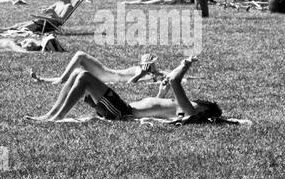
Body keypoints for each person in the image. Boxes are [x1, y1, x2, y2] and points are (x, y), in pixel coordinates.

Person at [29, 57, 224, 126]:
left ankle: (57, 116)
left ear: (203, 111)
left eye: (198, 105)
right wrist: (161, 93)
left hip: (122, 112)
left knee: (84, 76)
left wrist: (185, 65)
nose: (193, 103)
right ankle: (51, 114)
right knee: (78, 74)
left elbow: (175, 80)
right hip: (122, 109)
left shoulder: (190, 112)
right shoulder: (180, 110)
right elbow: (154, 110)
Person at [30, 50, 164, 88]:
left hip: (108, 76)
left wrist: (143, 74)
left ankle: (59, 81)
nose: (154, 66)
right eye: (152, 63)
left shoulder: (145, 74)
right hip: (108, 74)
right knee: (77, 72)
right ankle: (42, 80)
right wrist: (144, 73)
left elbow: (129, 84)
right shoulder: (142, 70)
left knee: (81, 55)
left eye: (153, 64)